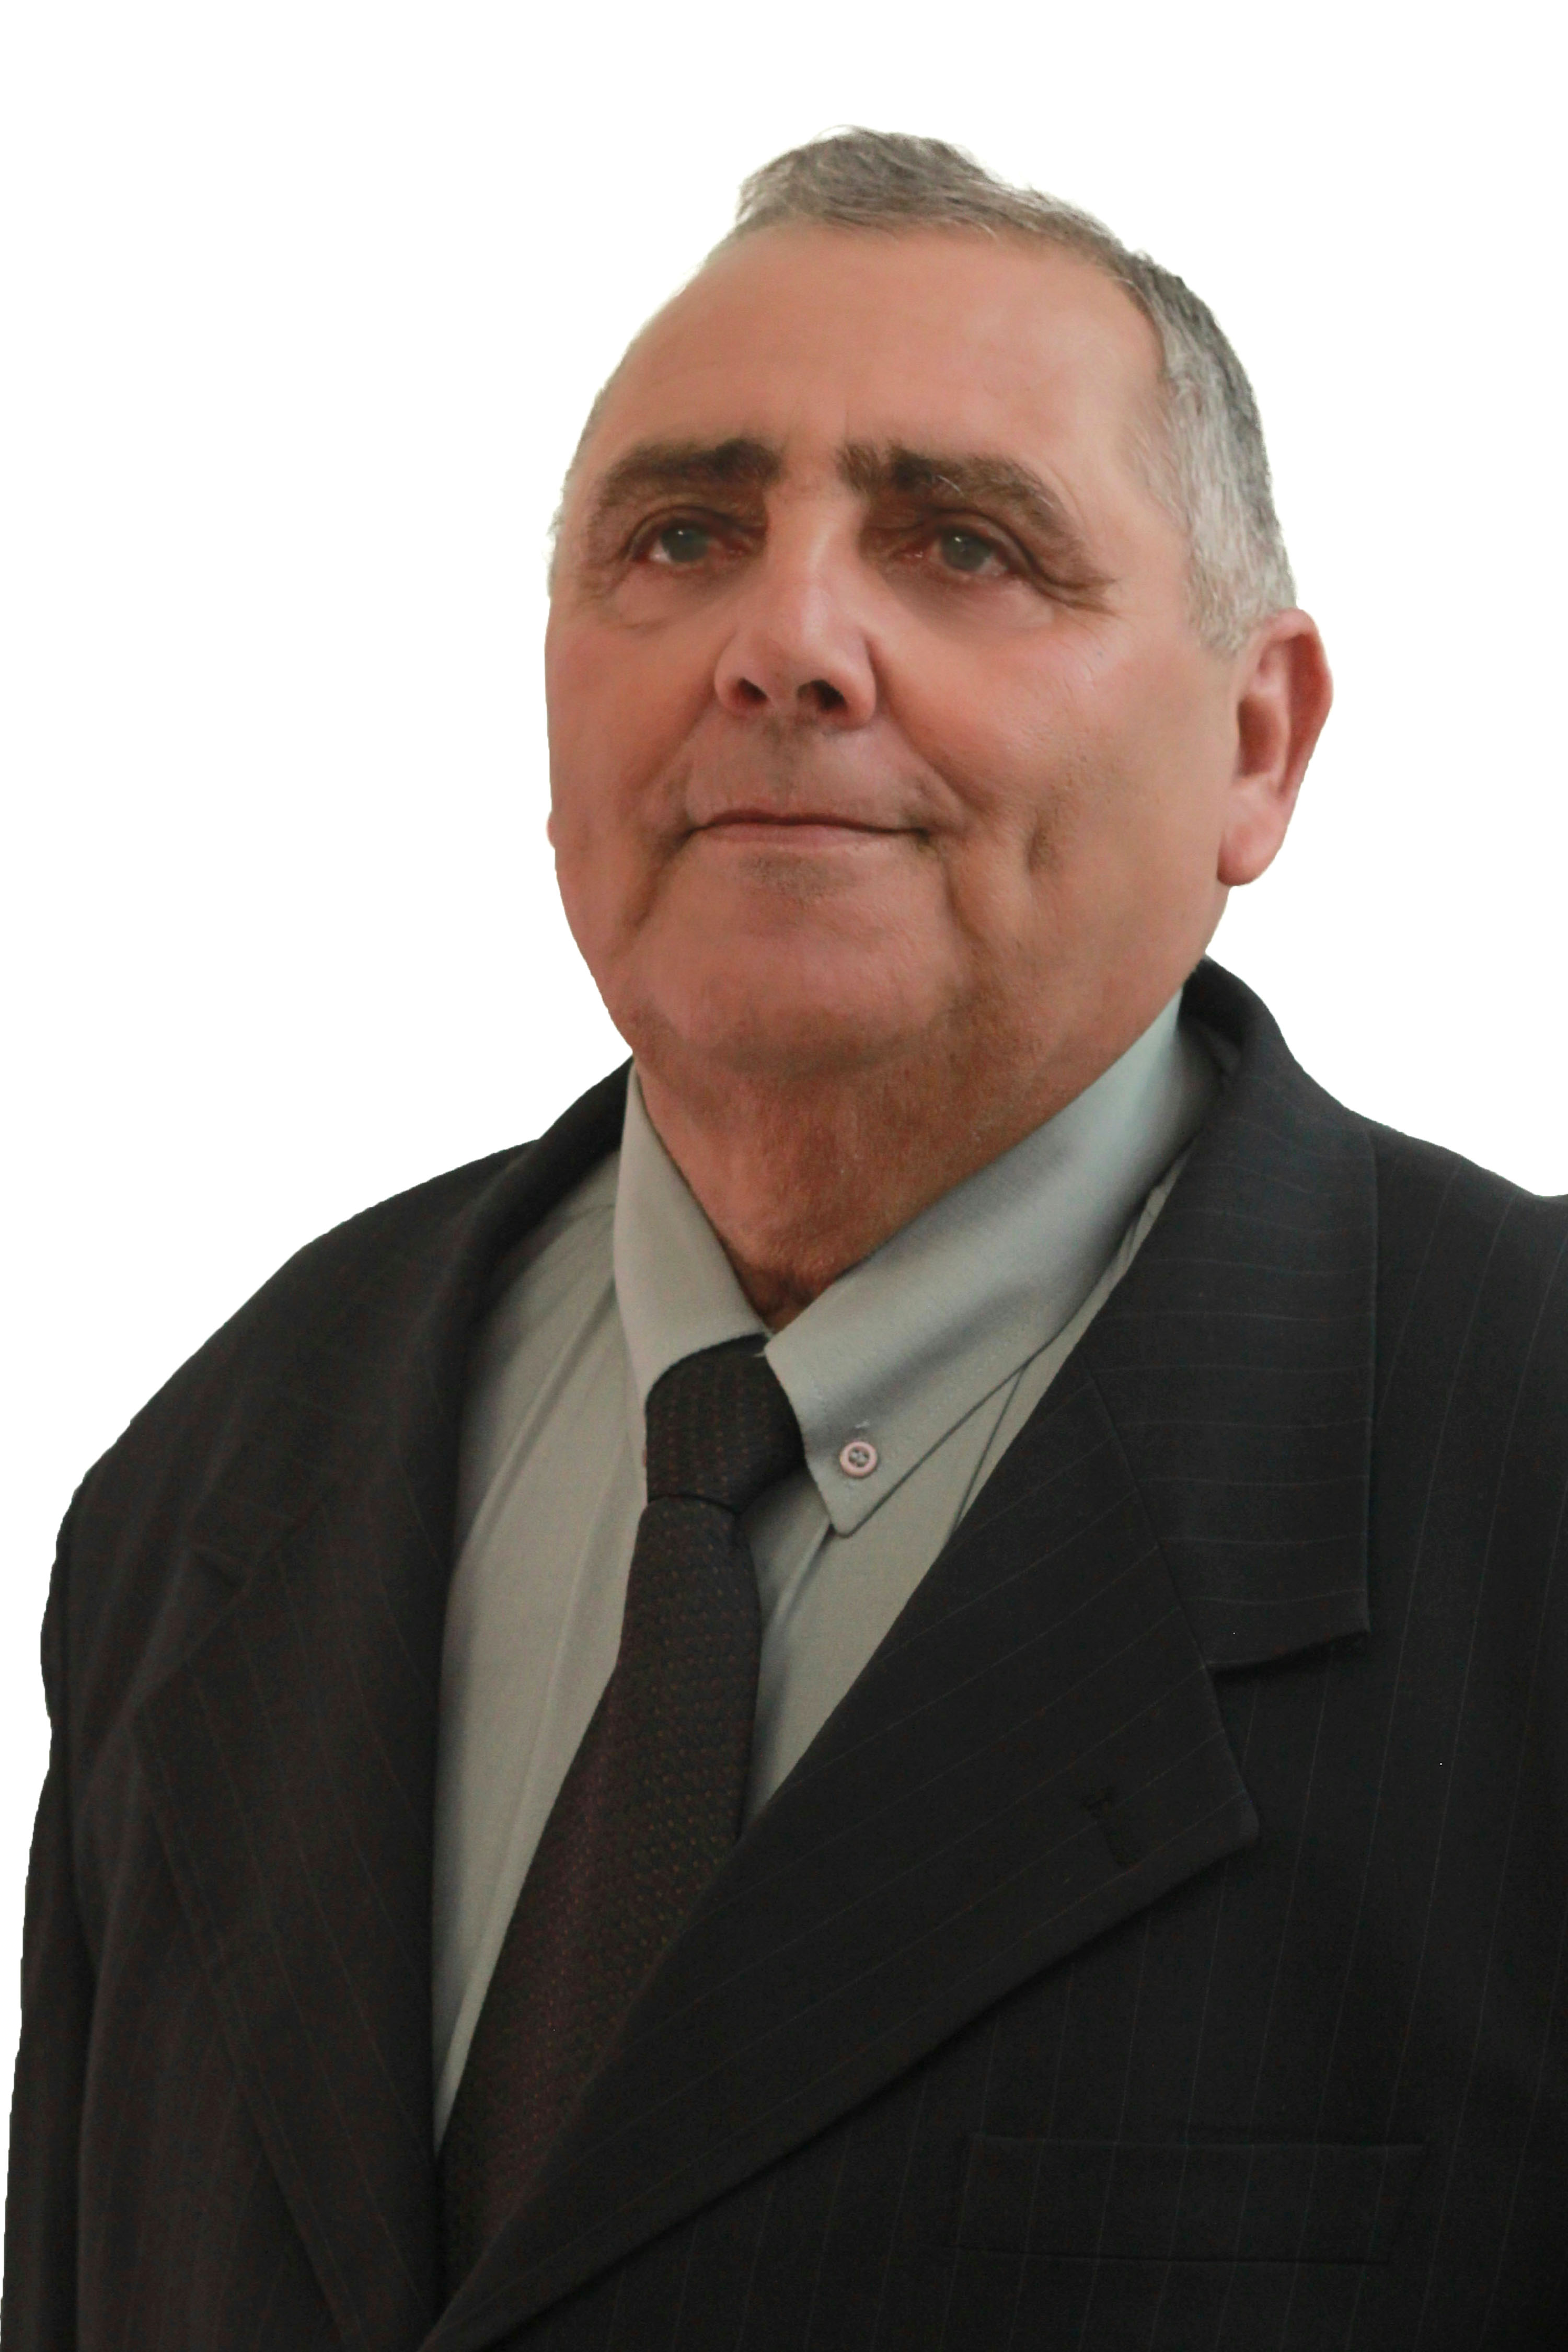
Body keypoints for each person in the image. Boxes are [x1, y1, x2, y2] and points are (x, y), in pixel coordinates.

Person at [4, 126, 1565, 2352]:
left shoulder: (1528, 1462)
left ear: (1258, 741)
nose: (785, 642)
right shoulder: (215, 1473)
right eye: (684, 536)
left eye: (963, 544)